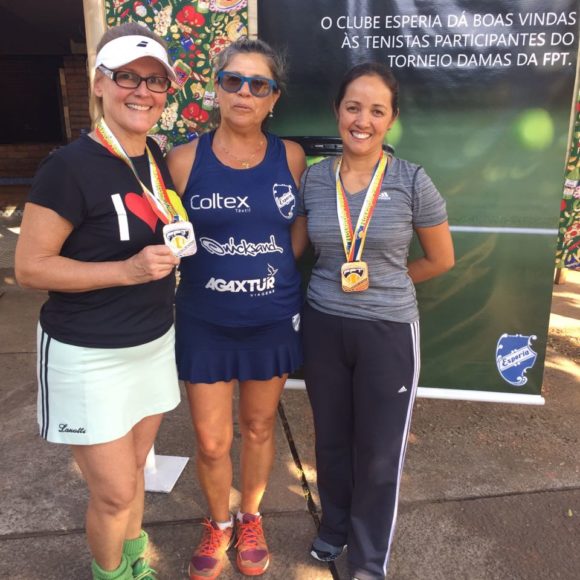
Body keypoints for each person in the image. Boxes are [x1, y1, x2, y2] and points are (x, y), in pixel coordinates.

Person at [15, 22, 185, 580]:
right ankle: (109, 574)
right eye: (126, 77)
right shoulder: (67, 167)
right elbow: (30, 267)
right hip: (88, 353)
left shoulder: (152, 156)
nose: (142, 91)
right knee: (113, 493)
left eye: (155, 81)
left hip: (152, 342)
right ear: (99, 84)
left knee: (134, 472)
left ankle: (136, 563)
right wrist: (127, 271)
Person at [293, 62, 455, 580]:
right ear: (337, 112)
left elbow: (441, 259)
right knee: (331, 440)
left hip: (387, 330)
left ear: (391, 119)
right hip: (323, 324)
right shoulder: (315, 179)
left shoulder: (412, 180)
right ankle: (334, 526)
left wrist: (388, 280)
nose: (362, 120)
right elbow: (297, 248)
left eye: (376, 110)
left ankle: (367, 560)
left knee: (380, 453)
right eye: (353, 107)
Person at [167, 38, 306, 579]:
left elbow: (296, 231)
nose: (244, 93)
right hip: (204, 322)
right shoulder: (183, 161)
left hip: (271, 318)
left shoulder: (290, 156)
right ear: (217, 88)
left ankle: (251, 518)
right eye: (233, 80)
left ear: (274, 98)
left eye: (258, 84)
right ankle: (218, 522)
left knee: (259, 426)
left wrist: (271, 273)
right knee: (210, 440)